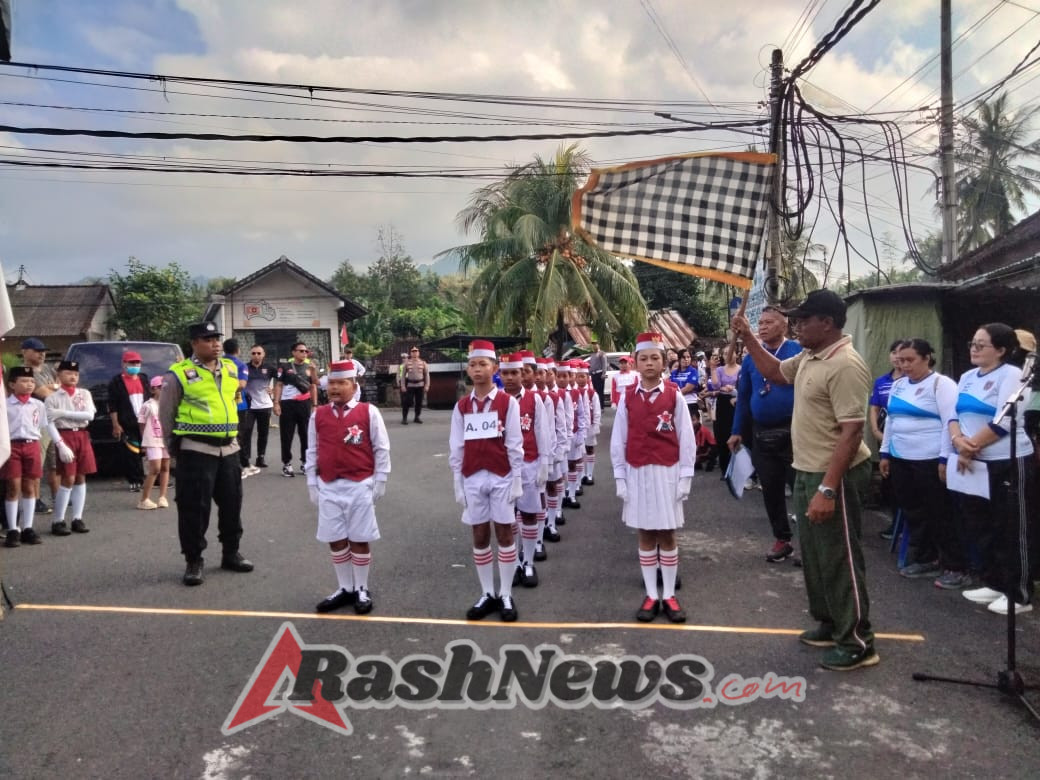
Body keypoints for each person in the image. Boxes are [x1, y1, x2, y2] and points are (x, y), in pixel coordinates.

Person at [732, 289, 877, 671]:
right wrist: (748, 337)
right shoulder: (811, 356)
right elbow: (774, 373)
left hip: (835, 474)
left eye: (803, 320)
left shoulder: (845, 363)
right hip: (807, 468)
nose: (797, 326)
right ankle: (830, 623)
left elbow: (851, 432)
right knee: (815, 556)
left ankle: (858, 640)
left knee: (840, 558)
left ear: (826, 323)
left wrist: (828, 488)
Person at [159, 321, 254, 586]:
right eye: (208, 339)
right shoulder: (179, 373)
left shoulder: (231, 369)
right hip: (196, 450)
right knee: (194, 508)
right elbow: (165, 414)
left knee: (232, 504)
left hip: (229, 449)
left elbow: (233, 402)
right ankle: (194, 560)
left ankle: (231, 553)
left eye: (217, 338)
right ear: (194, 344)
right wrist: (173, 449)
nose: (215, 343)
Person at [952, 324, 1038, 615]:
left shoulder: (1013, 376)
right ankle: (994, 582)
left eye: (981, 345)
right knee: (983, 525)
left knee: (1012, 527)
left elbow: (1004, 422)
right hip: (975, 462)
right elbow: (954, 415)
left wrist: (969, 446)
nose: (974, 349)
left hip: (1008, 461)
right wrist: (958, 441)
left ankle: (1020, 592)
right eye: (972, 343)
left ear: (1001, 350)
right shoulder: (966, 377)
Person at [611, 332, 695, 624]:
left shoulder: (674, 395)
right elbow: (618, 439)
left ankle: (669, 594)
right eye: (643, 358)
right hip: (638, 472)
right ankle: (650, 594)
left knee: (667, 533)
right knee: (645, 533)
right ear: (635, 363)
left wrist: (686, 475)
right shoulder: (627, 398)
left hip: (667, 472)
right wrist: (620, 476)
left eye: (654, 358)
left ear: (663, 362)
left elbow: (686, 437)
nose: (649, 363)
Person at [306, 360, 391, 615]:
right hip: (329, 485)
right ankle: (345, 587)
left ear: (354, 386)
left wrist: (381, 479)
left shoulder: (368, 411)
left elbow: (381, 447)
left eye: (341, 383)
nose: (335, 388)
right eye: (331, 383)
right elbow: (312, 450)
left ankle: (361, 588)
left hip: (359, 484)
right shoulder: (318, 414)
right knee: (335, 538)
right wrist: (312, 482)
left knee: (359, 538)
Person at [449, 340, 523, 622]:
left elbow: (515, 443)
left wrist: (517, 477)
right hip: (473, 476)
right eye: (473, 364)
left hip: (502, 475)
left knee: (505, 533)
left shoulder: (508, 403)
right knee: (479, 534)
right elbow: (456, 446)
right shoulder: (462, 406)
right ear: (468, 370)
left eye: (483, 364)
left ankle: (505, 593)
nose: (477, 369)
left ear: (494, 368)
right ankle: (487, 593)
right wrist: (457, 480)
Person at [878, 339, 960, 583]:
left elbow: (950, 423)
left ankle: (954, 565)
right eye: (901, 360)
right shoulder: (899, 385)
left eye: (910, 360)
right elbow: (890, 421)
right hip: (901, 458)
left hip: (930, 458)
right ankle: (926, 559)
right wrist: (885, 453)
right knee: (914, 511)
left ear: (927, 358)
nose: (904, 365)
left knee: (939, 512)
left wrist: (944, 458)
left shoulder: (941, 384)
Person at [728, 306, 802, 563]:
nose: (763, 326)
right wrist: (737, 431)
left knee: (801, 489)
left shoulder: (797, 351)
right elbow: (745, 398)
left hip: (795, 431)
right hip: (762, 433)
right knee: (770, 489)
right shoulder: (750, 359)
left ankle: (808, 543)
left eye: (769, 322)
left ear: (785, 325)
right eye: (760, 322)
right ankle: (782, 539)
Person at [499, 353, 551, 586]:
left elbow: (542, 432)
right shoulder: (496, 400)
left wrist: (544, 463)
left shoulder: (534, 399)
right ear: (499, 375)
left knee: (529, 513)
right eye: (505, 373)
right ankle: (514, 563)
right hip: (502, 468)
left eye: (514, 373)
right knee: (508, 518)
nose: (510, 378)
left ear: (523, 374)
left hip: (529, 463)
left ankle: (528, 562)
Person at [46, 360, 98, 536]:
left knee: (81, 476)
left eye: (76, 374)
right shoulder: (52, 397)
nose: (73, 377)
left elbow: (89, 415)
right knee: (68, 477)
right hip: (65, 435)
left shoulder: (84, 393)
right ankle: (58, 520)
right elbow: (50, 423)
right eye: (68, 373)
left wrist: (65, 413)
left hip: (82, 435)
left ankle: (77, 518)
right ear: (59, 375)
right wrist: (60, 445)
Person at [2, 367, 51, 546]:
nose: (29, 384)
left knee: (29, 487)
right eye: (24, 381)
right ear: (12, 384)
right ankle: (13, 529)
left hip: (32, 445)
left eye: (31, 381)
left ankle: (28, 527)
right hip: (12, 446)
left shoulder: (38, 405)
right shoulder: (5, 405)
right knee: (13, 486)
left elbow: (43, 426)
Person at [870, 341, 905, 540]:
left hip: (904, 440)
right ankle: (895, 523)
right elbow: (874, 407)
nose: (896, 356)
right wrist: (875, 430)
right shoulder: (882, 381)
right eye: (893, 352)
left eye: (901, 352)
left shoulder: (911, 381)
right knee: (889, 481)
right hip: (884, 437)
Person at [21, 337, 59, 515]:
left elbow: (62, 390)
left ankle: (58, 497)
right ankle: (34, 500)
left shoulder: (47, 371)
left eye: (43, 350)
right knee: (37, 464)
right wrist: (54, 388)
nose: (42, 354)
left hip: (51, 420)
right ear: (25, 352)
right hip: (35, 423)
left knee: (55, 464)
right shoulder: (26, 372)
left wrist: (54, 387)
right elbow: (45, 394)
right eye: (37, 350)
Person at [274, 342, 319, 477]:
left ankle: (305, 463)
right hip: (288, 404)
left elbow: (314, 385)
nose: (304, 353)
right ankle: (286, 463)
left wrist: (315, 405)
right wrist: (276, 403)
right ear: (293, 352)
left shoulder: (309, 366)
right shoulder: (285, 367)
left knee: (306, 434)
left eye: (306, 351)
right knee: (286, 435)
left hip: (304, 404)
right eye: (301, 351)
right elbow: (279, 385)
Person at [108, 350, 150, 493]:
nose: (135, 365)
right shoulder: (116, 382)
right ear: (124, 364)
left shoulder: (144, 378)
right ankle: (135, 480)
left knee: (149, 451)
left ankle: (152, 478)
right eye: (132, 363)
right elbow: (112, 405)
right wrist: (116, 424)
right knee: (132, 453)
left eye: (137, 363)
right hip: (128, 423)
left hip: (145, 423)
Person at [136, 375, 171, 510]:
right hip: (152, 440)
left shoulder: (168, 404)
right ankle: (144, 499)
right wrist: (144, 442)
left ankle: (162, 496)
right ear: (153, 389)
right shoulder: (148, 405)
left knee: (165, 467)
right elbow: (142, 423)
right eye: (161, 388)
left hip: (165, 440)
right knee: (155, 468)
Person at [240, 344, 274, 472]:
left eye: (259, 353)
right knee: (246, 432)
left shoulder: (269, 368)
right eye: (254, 353)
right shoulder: (244, 367)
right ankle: (246, 459)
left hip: (265, 405)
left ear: (263, 354)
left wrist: (274, 391)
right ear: (250, 354)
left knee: (263, 433)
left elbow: (282, 381)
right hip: (249, 406)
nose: (256, 355)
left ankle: (261, 457)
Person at [708, 345, 741, 477]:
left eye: (730, 352)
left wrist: (733, 389)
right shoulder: (720, 369)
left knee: (737, 434)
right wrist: (713, 369)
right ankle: (725, 469)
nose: (727, 355)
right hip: (722, 404)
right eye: (725, 353)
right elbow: (716, 385)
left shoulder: (741, 369)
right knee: (722, 435)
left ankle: (739, 470)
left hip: (737, 403)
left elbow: (744, 387)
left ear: (736, 354)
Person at [222, 339, 252, 478]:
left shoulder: (219, 362)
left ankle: (242, 464)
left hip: (221, 403)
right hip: (237, 403)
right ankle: (239, 466)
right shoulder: (240, 365)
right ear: (238, 350)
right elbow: (241, 385)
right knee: (239, 435)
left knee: (226, 433)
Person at [399, 346, 430, 425]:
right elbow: (403, 376)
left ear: (418, 353)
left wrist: (427, 385)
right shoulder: (407, 363)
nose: (415, 353)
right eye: (413, 351)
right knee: (407, 402)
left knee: (419, 402)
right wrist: (402, 386)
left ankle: (417, 417)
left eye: (416, 351)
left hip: (420, 385)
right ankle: (404, 418)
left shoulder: (423, 363)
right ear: (411, 353)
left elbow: (426, 375)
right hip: (410, 385)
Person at [670, 349, 701, 416]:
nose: (686, 359)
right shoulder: (674, 373)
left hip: (690, 402)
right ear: (679, 359)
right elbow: (670, 386)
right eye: (683, 357)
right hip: (677, 402)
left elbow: (688, 388)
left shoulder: (693, 371)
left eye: (688, 357)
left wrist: (673, 395)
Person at [587, 340, 608, 406]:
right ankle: (597, 406)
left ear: (598, 345)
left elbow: (604, 364)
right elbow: (591, 365)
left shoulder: (602, 353)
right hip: (593, 375)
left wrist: (603, 373)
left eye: (596, 344)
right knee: (595, 391)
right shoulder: (592, 354)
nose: (594, 345)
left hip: (599, 374)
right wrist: (589, 373)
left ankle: (602, 406)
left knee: (600, 391)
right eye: (593, 344)